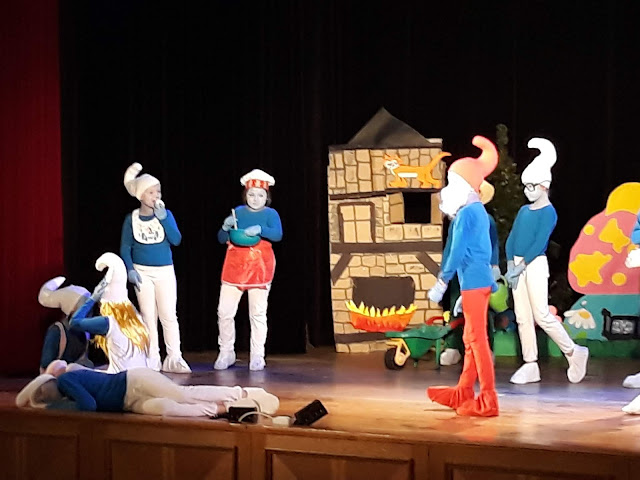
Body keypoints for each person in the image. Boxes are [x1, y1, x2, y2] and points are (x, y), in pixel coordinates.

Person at [426, 135, 500, 417]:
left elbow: (457, 251)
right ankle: (464, 391)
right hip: (476, 283)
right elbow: (481, 252)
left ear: (465, 184)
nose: (447, 188)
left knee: (477, 341)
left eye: (452, 182)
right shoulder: (476, 211)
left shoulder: (468, 213)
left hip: (474, 283)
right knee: (471, 340)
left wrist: (442, 281)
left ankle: (489, 399)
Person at [505, 138, 588, 385]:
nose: (527, 190)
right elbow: (512, 238)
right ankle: (530, 363)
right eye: (525, 186)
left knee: (541, 314)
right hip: (517, 264)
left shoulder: (549, 212)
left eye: (531, 186)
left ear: (544, 186)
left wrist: (521, 266)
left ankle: (573, 351)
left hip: (534, 264)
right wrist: (510, 263)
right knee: (522, 315)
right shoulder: (523, 211)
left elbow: (539, 242)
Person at [16, 360, 279, 418]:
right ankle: (225, 409)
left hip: (134, 381)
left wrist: (52, 408)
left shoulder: (66, 381)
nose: (45, 397)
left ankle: (242, 393)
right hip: (127, 403)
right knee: (167, 409)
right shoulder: (66, 389)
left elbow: (89, 406)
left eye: (42, 394)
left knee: (182, 394)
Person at [121, 163, 190, 373]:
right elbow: (125, 247)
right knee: (148, 315)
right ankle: (152, 357)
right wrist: (130, 269)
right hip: (142, 272)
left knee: (168, 315)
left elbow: (176, 240)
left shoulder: (166, 214)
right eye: (151, 192)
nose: (156, 196)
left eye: (158, 191)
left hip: (164, 271)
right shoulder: (131, 219)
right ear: (141, 195)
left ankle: (174, 357)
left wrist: (164, 220)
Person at [214, 169, 283, 371]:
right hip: (235, 266)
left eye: (260, 195)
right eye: (251, 194)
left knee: (257, 313)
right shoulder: (238, 212)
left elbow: (278, 235)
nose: (255, 198)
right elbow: (221, 238)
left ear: (266, 196)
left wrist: (261, 230)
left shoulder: (271, 214)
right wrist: (225, 227)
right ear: (246, 194)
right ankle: (226, 352)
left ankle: (257, 355)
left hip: (259, 266)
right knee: (224, 312)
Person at [440, 180, 501, 366]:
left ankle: (486, 350)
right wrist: (444, 270)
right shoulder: (456, 220)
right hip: (458, 273)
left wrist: (494, 265)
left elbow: (493, 244)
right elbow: (450, 246)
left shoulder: (486, 219)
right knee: (455, 309)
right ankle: (453, 347)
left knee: (481, 312)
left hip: (477, 272)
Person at [69, 252, 151, 373]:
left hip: (122, 381)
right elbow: (124, 301)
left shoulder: (109, 322)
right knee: (100, 368)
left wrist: (92, 298)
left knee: (71, 369)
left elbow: (74, 322)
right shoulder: (136, 318)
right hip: (142, 377)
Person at [38, 277, 93, 373]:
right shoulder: (57, 331)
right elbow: (46, 364)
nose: (89, 311)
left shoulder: (85, 332)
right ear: (72, 310)